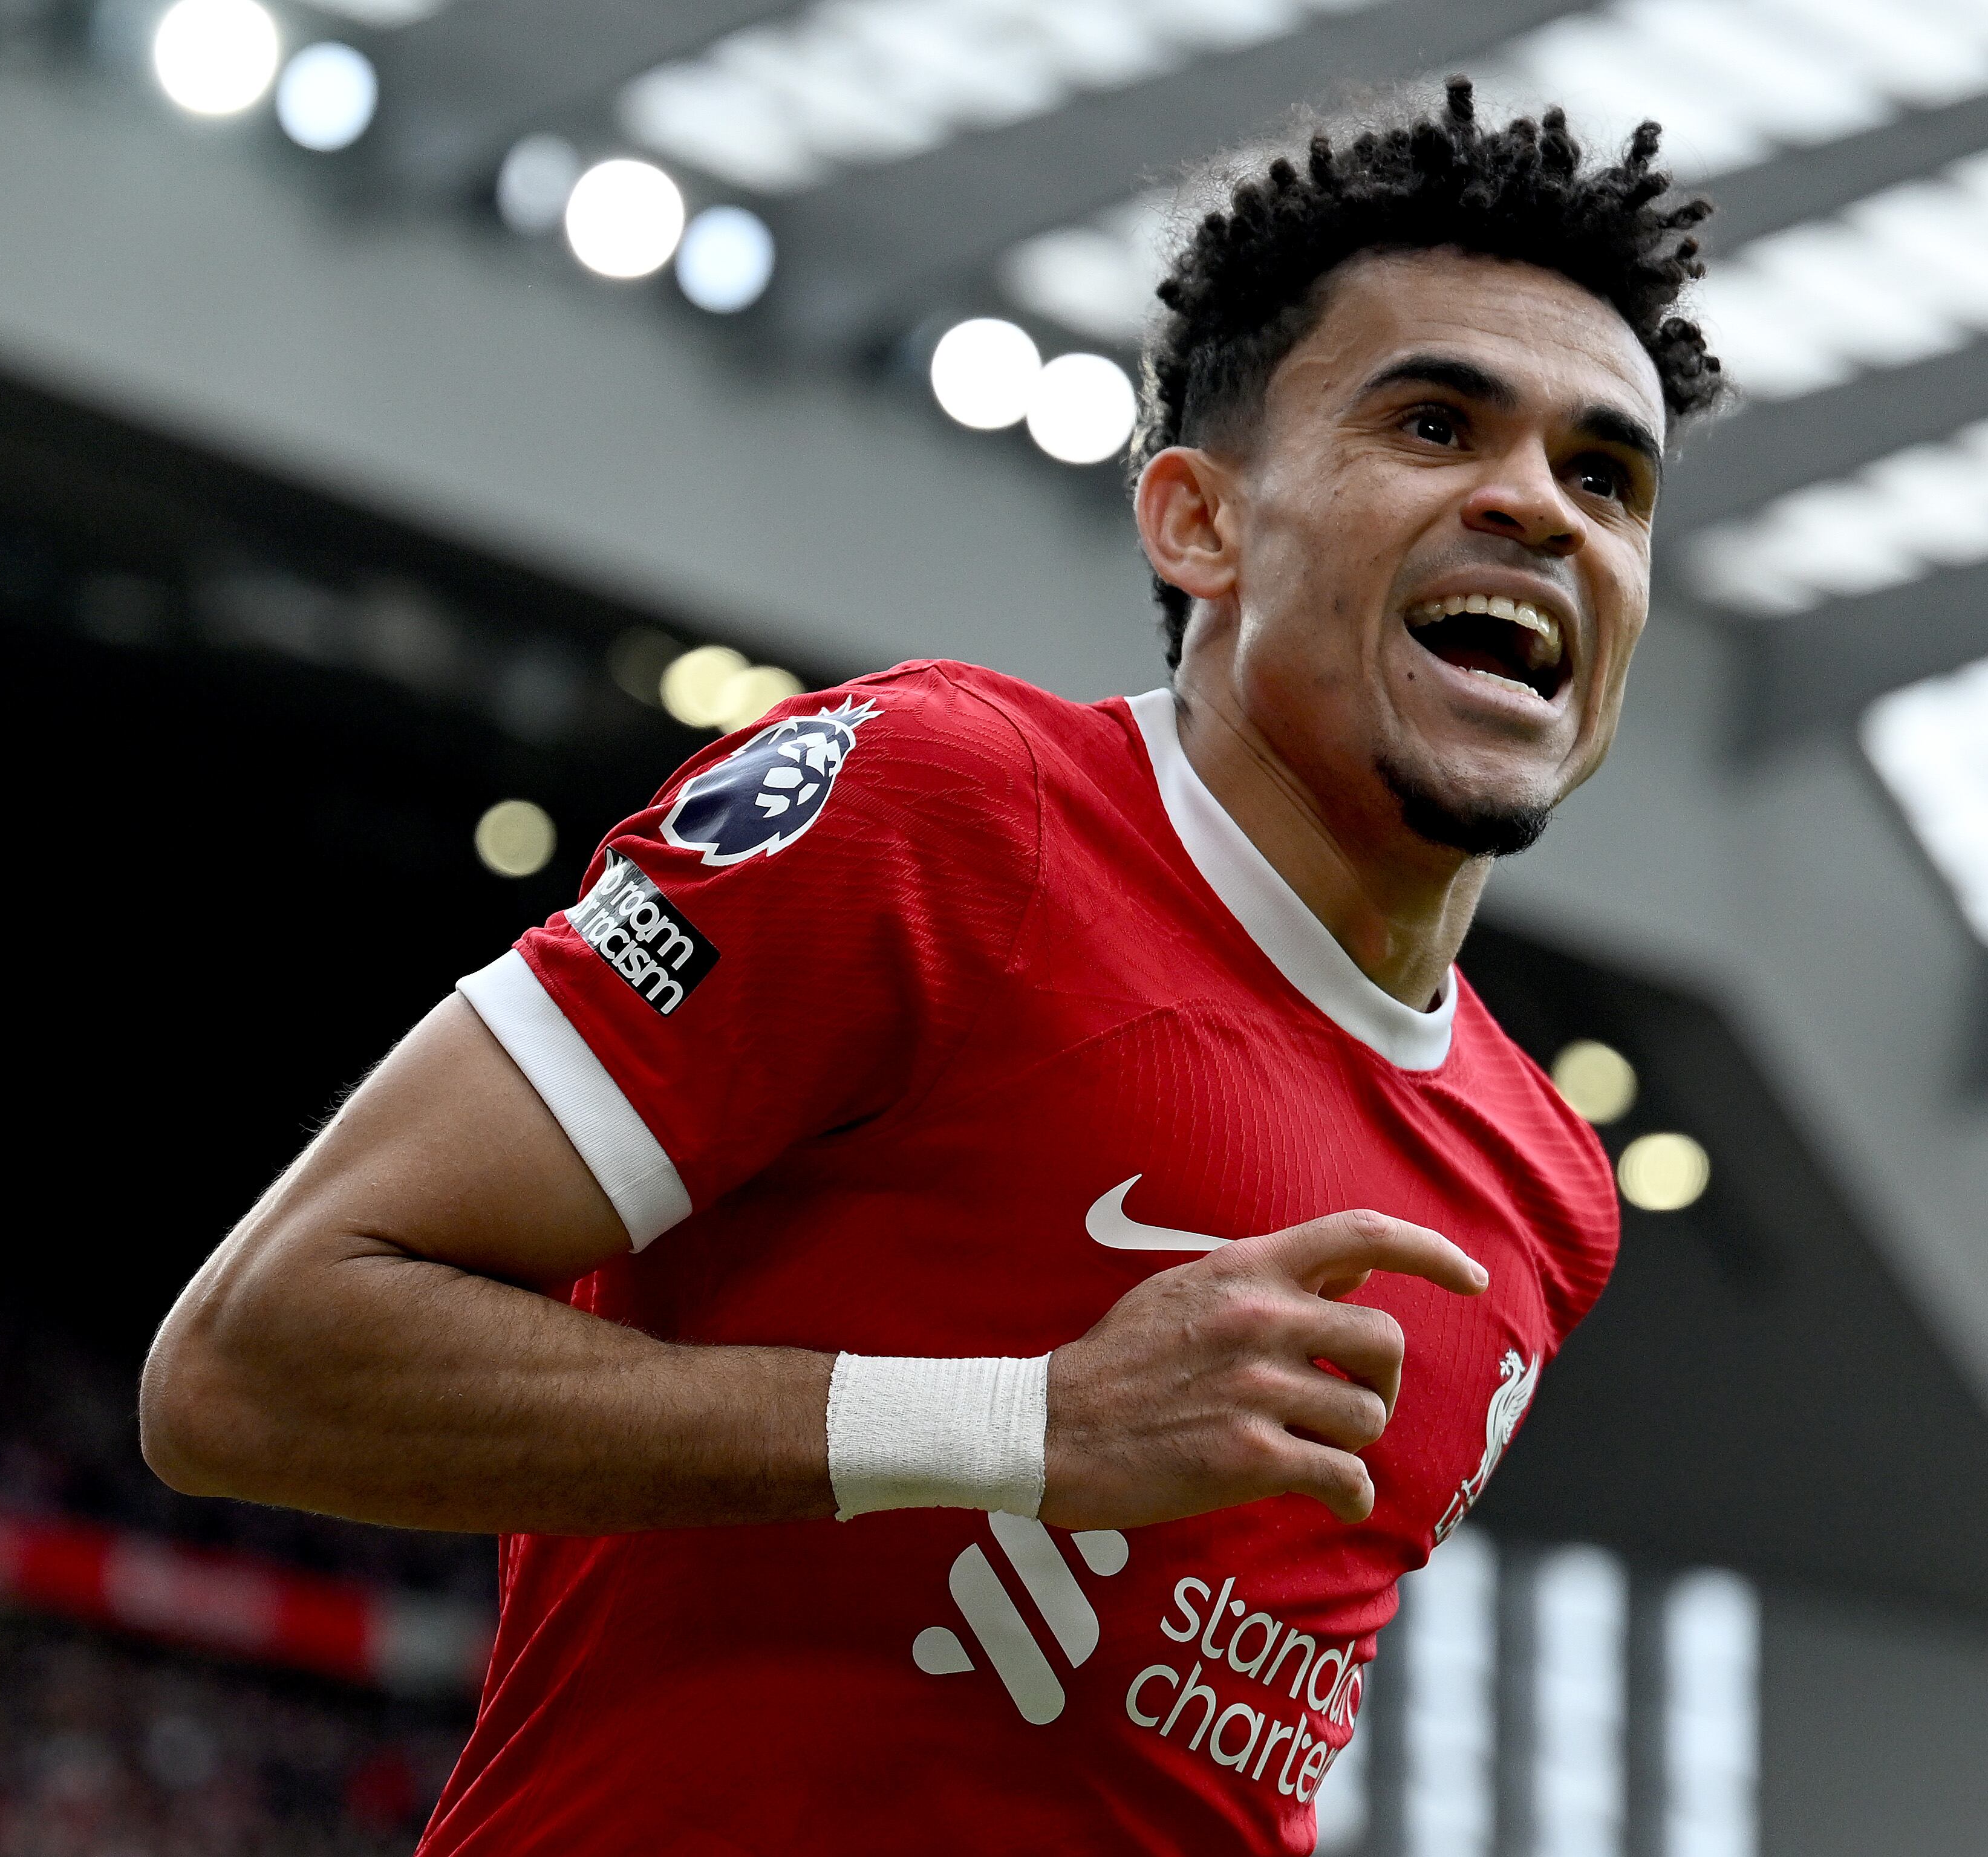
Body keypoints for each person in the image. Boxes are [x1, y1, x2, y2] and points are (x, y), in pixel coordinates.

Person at [139, 79, 1726, 1856]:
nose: (1539, 508)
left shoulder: (1546, 1192)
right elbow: (250, 1365)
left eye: (1606, 474)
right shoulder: (947, 814)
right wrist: (1020, 1426)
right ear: (1196, 520)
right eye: (1435, 424)